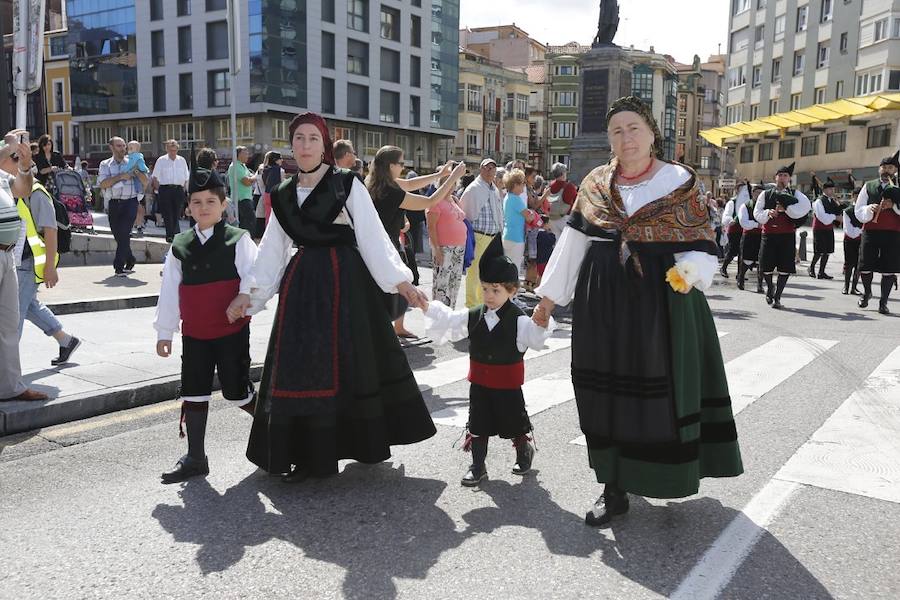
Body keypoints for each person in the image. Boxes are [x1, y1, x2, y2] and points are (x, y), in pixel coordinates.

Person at [532, 96, 743, 527]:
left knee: (658, 390)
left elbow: (703, 240)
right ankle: (613, 487)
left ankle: (664, 472)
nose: (625, 138)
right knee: (604, 390)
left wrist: (691, 272)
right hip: (602, 299)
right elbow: (574, 244)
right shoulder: (595, 183)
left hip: (662, 298)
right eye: (616, 131)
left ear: (651, 133)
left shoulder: (679, 181)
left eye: (633, 128)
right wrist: (548, 299)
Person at [226, 112, 436, 483]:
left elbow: (372, 237)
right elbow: (273, 250)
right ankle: (305, 454)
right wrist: (249, 295)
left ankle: (357, 443)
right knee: (301, 369)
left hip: (346, 284)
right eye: (299, 139)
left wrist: (402, 283)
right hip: (302, 289)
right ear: (291, 145)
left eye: (312, 139)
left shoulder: (346, 184)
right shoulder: (284, 193)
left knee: (349, 366)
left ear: (324, 146)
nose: (305, 145)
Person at [154, 164, 259, 484]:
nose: (203, 208)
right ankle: (196, 458)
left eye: (210, 202)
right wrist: (164, 331)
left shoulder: (238, 239)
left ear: (224, 205)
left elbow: (256, 277)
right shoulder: (180, 245)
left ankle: (274, 428)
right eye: (196, 202)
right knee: (194, 392)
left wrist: (242, 299)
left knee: (237, 392)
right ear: (188, 207)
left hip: (231, 334)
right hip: (195, 335)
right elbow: (170, 290)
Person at [422, 236, 554, 486]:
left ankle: (524, 450)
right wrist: (427, 307)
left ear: (512, 291)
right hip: (480, 384)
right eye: (485, 289)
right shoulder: (475, 315)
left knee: (514, 422)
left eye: (496, 290)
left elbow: (536, 338)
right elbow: (451, 320)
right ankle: (478, 465)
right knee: (478, 422)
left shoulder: (519, 319)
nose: (489, 296)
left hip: (508, 386)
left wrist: (543, 321)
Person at [366, 146, 465, 338]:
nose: (403, 167)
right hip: (387, 247)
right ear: (390, 165)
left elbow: (411, 184)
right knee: (393, 289)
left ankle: (392, 329)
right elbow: (430, 201)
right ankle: (385, 333)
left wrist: (440, 174)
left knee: (387, 290)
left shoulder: (376, 182)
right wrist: (453, 177)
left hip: (378, 244)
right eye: (401, 163)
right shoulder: (391, 191)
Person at [12, 159, 81, 365]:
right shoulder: (15, 191)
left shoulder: (37, 193)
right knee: (29, 305)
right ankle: (66, 341)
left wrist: (50, 267)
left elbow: (51, 231)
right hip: (18, 261)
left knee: (13, 313)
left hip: (29, 262)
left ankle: (7, 367)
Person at [0, 131, 49, 402]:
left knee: (8, 324)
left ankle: (11, 387)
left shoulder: (3, 178)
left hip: (7, 255)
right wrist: (9, 145)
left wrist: (26, 166)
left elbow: (24, 188)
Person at [753, 162, 812, 309]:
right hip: (769, 235)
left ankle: (778, 296)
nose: (782, 178)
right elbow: (757, 213)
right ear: (775, 177)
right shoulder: (765, 194)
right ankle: (770, 288)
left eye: (785, 176)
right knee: (765, 267)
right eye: (780, 175)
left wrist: (787, 209)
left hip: (787, 236)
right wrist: (768, 213)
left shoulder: (796, 194)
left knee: (785, 267)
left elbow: (805, 208)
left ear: (789, 179)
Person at [854, 151, 900, 314]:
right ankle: (867, 293)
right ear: (879, 169)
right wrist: (869, 209)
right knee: (865, 266)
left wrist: (893, 206)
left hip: (893, 233)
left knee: (889, 268)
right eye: (884, 167)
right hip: (871, 231)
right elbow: (858, 209)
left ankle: (884, 302)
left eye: (891, 167)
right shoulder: (869, 185)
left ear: (895, 170)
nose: (887, 170)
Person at [97, 137, 149, 276]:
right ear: (111, 147)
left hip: (130, 202)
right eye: (119, 146)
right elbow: (102, 184)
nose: (122, 149)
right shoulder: (105, 164)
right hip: (114, 203)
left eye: (124, 146)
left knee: (125, 233)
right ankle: (130, 258)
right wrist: (121, 176)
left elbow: (145, 182)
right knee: (119, 236)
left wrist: (137, 171)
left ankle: (118, 266)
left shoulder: (134, 161)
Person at [461, 158, 504, 308]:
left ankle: (482, 305)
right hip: (478, 236)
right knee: (474, 275)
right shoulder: (474, 188)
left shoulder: (494, 189)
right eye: (486, 168)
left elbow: (499, 212)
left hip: (492, 238)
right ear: (481, 169)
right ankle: (472, 306)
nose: (489, 170)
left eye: (492, 168)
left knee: (486, 275)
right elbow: (464, 213)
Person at [427, 186, 468, 308]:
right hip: (444, 248)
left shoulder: (454, 200)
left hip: (459, 247)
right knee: (441, 284)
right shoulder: (434, 202)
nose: (450, 186)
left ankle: (450, 312)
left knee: (454, 282)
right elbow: (431, 227)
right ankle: (439, 315)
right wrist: (436, 249)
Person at [501, 168, 538, 279]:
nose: (523, 186)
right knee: (514, 267)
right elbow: (529, 217)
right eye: (522, 183)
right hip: (516, 238)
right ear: (516, 184)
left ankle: (508, 293)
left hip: (508, 235)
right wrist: (532, 214)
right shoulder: (516, 199)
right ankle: (512, 294)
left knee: (507, 266)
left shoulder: (507, 197)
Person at [151, 140, 190, 243]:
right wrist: (159, 190)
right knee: (167, 214)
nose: (173, 152)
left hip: (178, 189)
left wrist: (186, 191)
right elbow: (155, 177)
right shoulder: (161, 160)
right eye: (171, 150)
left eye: (175, 150)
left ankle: (175, 234)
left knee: (177, 213)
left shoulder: (182, 160)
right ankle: (170, 235)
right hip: (165, 189)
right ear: (167, 149)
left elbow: (186, 177)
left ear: (177, 149)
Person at [808, 178, 841, 279]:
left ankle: (821, 272)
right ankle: (811, 268)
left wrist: (839, 206)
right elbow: (823, 217)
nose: (832, 191)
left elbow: (838, 212)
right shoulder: (819, 201)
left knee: (827, 251)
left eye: (833, 189)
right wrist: (835, 217)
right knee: (818, 251)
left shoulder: (832, 201)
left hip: (828, 229)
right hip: (819, 228)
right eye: (831, 189)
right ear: (825, 190)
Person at [736, 182, 766, 292]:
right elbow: (743, 222)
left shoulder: (765, 207)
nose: (759, 195)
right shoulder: (745, 206)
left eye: (761, 193)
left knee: (761, 261)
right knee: (746, 260)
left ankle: (759, 284)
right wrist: (756, 224)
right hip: (749, 236)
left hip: (762, 237)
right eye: (757, 193)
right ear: (752, 193)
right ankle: (741, 278)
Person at [225, 146, 257, 233]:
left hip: (246, 198)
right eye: (245, 154)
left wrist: (252, 178)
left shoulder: (243, 166)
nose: (248, 156)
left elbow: (251, 177)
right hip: (241, 199)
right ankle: (247, 242)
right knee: (249, 223)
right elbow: (247, 181)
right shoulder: (235, 166)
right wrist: (254, 177)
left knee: (248, 223)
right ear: (238, 155)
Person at [546, 162, 578, 239]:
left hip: (552, 218)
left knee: (556, 242)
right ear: (563, 173)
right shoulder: (569, 186)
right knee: (565, 242)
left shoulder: (550, 185)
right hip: (564, 217)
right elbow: (576, 200)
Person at [719, 190, 743, 278]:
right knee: (733, 250)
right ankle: (723, 268)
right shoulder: (732, 202)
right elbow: (726, 215)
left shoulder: (747, 202)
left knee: (742, 252)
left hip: (744, 229)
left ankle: (740, 273)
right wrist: (730, 220)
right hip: (734, 229)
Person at [842, 201, 863, 295]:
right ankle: (846, 287)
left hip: (862, 240)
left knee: (859, 265)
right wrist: (859, 231)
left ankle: (854, 287)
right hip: (849, 240)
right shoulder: (848, 211)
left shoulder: (865, 210)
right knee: (849, 264)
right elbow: (848, 229)